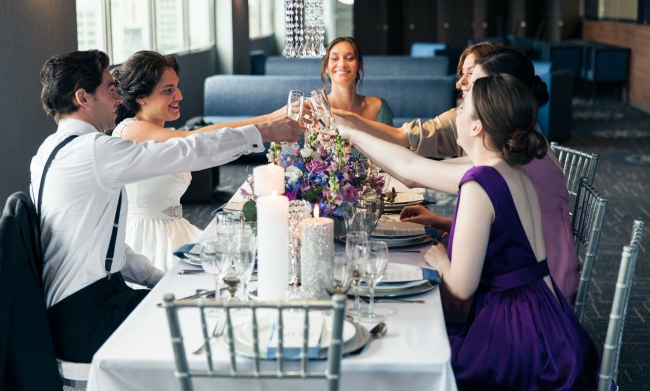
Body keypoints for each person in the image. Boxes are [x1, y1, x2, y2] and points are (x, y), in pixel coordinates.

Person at [31, 49, 301, 363]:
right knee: (208, 326)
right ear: (83, 98)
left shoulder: (47, 152)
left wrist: (161, 280)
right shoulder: (95, 151)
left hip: (83, 304)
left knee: (200, 305)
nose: (119, 97)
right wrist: (263, 131)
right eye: (109, 88)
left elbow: (113, 247)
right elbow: (187, 149)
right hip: (86, 316)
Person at [337, 74, 600, 390]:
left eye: (462, 107)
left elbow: (461, 288)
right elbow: (408, 166)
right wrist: (349, 133)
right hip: (548, 319)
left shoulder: (480, 183)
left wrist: (438, 258)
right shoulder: (514, 171)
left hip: (514, 334)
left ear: (476, 127)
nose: (456, 112)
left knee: (424, 351)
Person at [399, 48, 579, 304]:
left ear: (500, 92)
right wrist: (440, 221)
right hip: (541, 278)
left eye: (476, 85)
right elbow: (511, 229)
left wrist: (349, 134)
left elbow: (411, 172)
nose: (464, 88)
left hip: (542, 294)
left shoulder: (505, 166)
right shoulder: (525, 148)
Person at [111, 50, 295, 271]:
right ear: (141, 97)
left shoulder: (154, 129)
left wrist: (271, 120)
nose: (179, 96)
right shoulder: (131, 129)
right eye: (168, 90)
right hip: (147, 239)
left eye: (177, 87)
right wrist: (267, 124)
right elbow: (195, 139)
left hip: (174, 228)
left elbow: (199, 138)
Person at [333, 41, 501, 154]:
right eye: (461, 73)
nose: (460, 82)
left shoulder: (506, 129)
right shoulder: (457, 118)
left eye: (471, 73)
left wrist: (350, 130)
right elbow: (403, 137)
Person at [321, 36, 394, 125]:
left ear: (359, 66)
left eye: (350, 58)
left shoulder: (378, 107)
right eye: (334, 58)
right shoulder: (316, 108)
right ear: (326, 68)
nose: (342, 64)